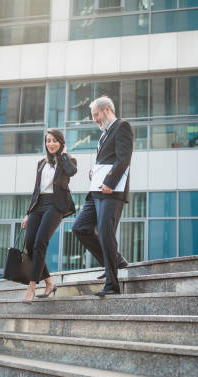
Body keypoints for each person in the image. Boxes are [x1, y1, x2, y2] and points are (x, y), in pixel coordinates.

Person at [72, 96, 133, 296]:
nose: (95, 120)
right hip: (97, 190)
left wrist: (109, 182)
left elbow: (124, 159)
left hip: (111, 191)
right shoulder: (104, 134)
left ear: (106, 109)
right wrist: (94, 172)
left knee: (106, 232)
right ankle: (113, 261)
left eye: (96, 115)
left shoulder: (122, 126)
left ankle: (112, 285)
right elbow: (108, 159)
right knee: (80, 227)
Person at [21, 129, 77, 303]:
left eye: (54, 141)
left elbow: (71, 171)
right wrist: (28, 213)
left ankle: (31, 286)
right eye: (48, 141)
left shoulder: (67, 160)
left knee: (40, 243)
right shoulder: (41, 163)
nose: (51, 144)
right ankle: (49, 283)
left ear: (61, 142)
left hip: (56, 204)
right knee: (30, 244)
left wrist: (64, 154)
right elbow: (36, 190)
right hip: (39, 205)